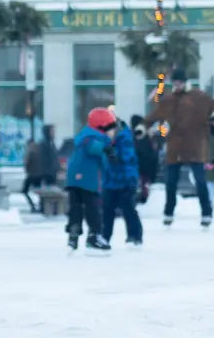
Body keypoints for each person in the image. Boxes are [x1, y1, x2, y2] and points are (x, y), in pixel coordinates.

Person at [147, 68, 214, 227]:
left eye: (180, 82)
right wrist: (143, 125)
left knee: (200, 182)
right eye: (175, 82)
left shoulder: (199, 97)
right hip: (175, 147)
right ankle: (169, 212)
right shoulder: (169, 99)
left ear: (185, 82)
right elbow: (155, 114)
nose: (177, 85)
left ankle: (206, 213)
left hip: (195, 145)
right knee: (171, 183)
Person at [65, 108, 118, 254]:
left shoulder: (87, 135)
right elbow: (91, 146)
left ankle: (74, 232)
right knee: (92, 207)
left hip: (74, 179)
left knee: (76, 205)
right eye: (111, 128)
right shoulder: (93, 137)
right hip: (87, 179)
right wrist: (107, 149)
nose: (113, 132)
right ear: (102, 127)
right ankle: (94, 236)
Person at [101, 111, 143, 247]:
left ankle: (134, 236)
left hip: (125, 180)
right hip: (110, 181)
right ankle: (104, 237)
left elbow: (128, 158)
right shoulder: (105, 138)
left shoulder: (125, 137)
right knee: (107, 210)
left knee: (128, 208)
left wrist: (114, 154)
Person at [21, 125, 58, 213]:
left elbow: (27, 162)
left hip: (42, 174)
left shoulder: (49, 144)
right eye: (52, 131)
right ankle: (42, 207)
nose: (54, 133)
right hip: (44, 173)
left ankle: (42, 207)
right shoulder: (44, 145)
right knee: (42, 192)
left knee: (34, 191)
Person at [130, 115, 158, 204]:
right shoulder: (145, 136)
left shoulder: (132, 135)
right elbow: (152, 154)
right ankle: (141, 198)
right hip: (143, 167)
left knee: (140, 185)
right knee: (142, 185)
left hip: (139, 167)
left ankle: (140, 198)